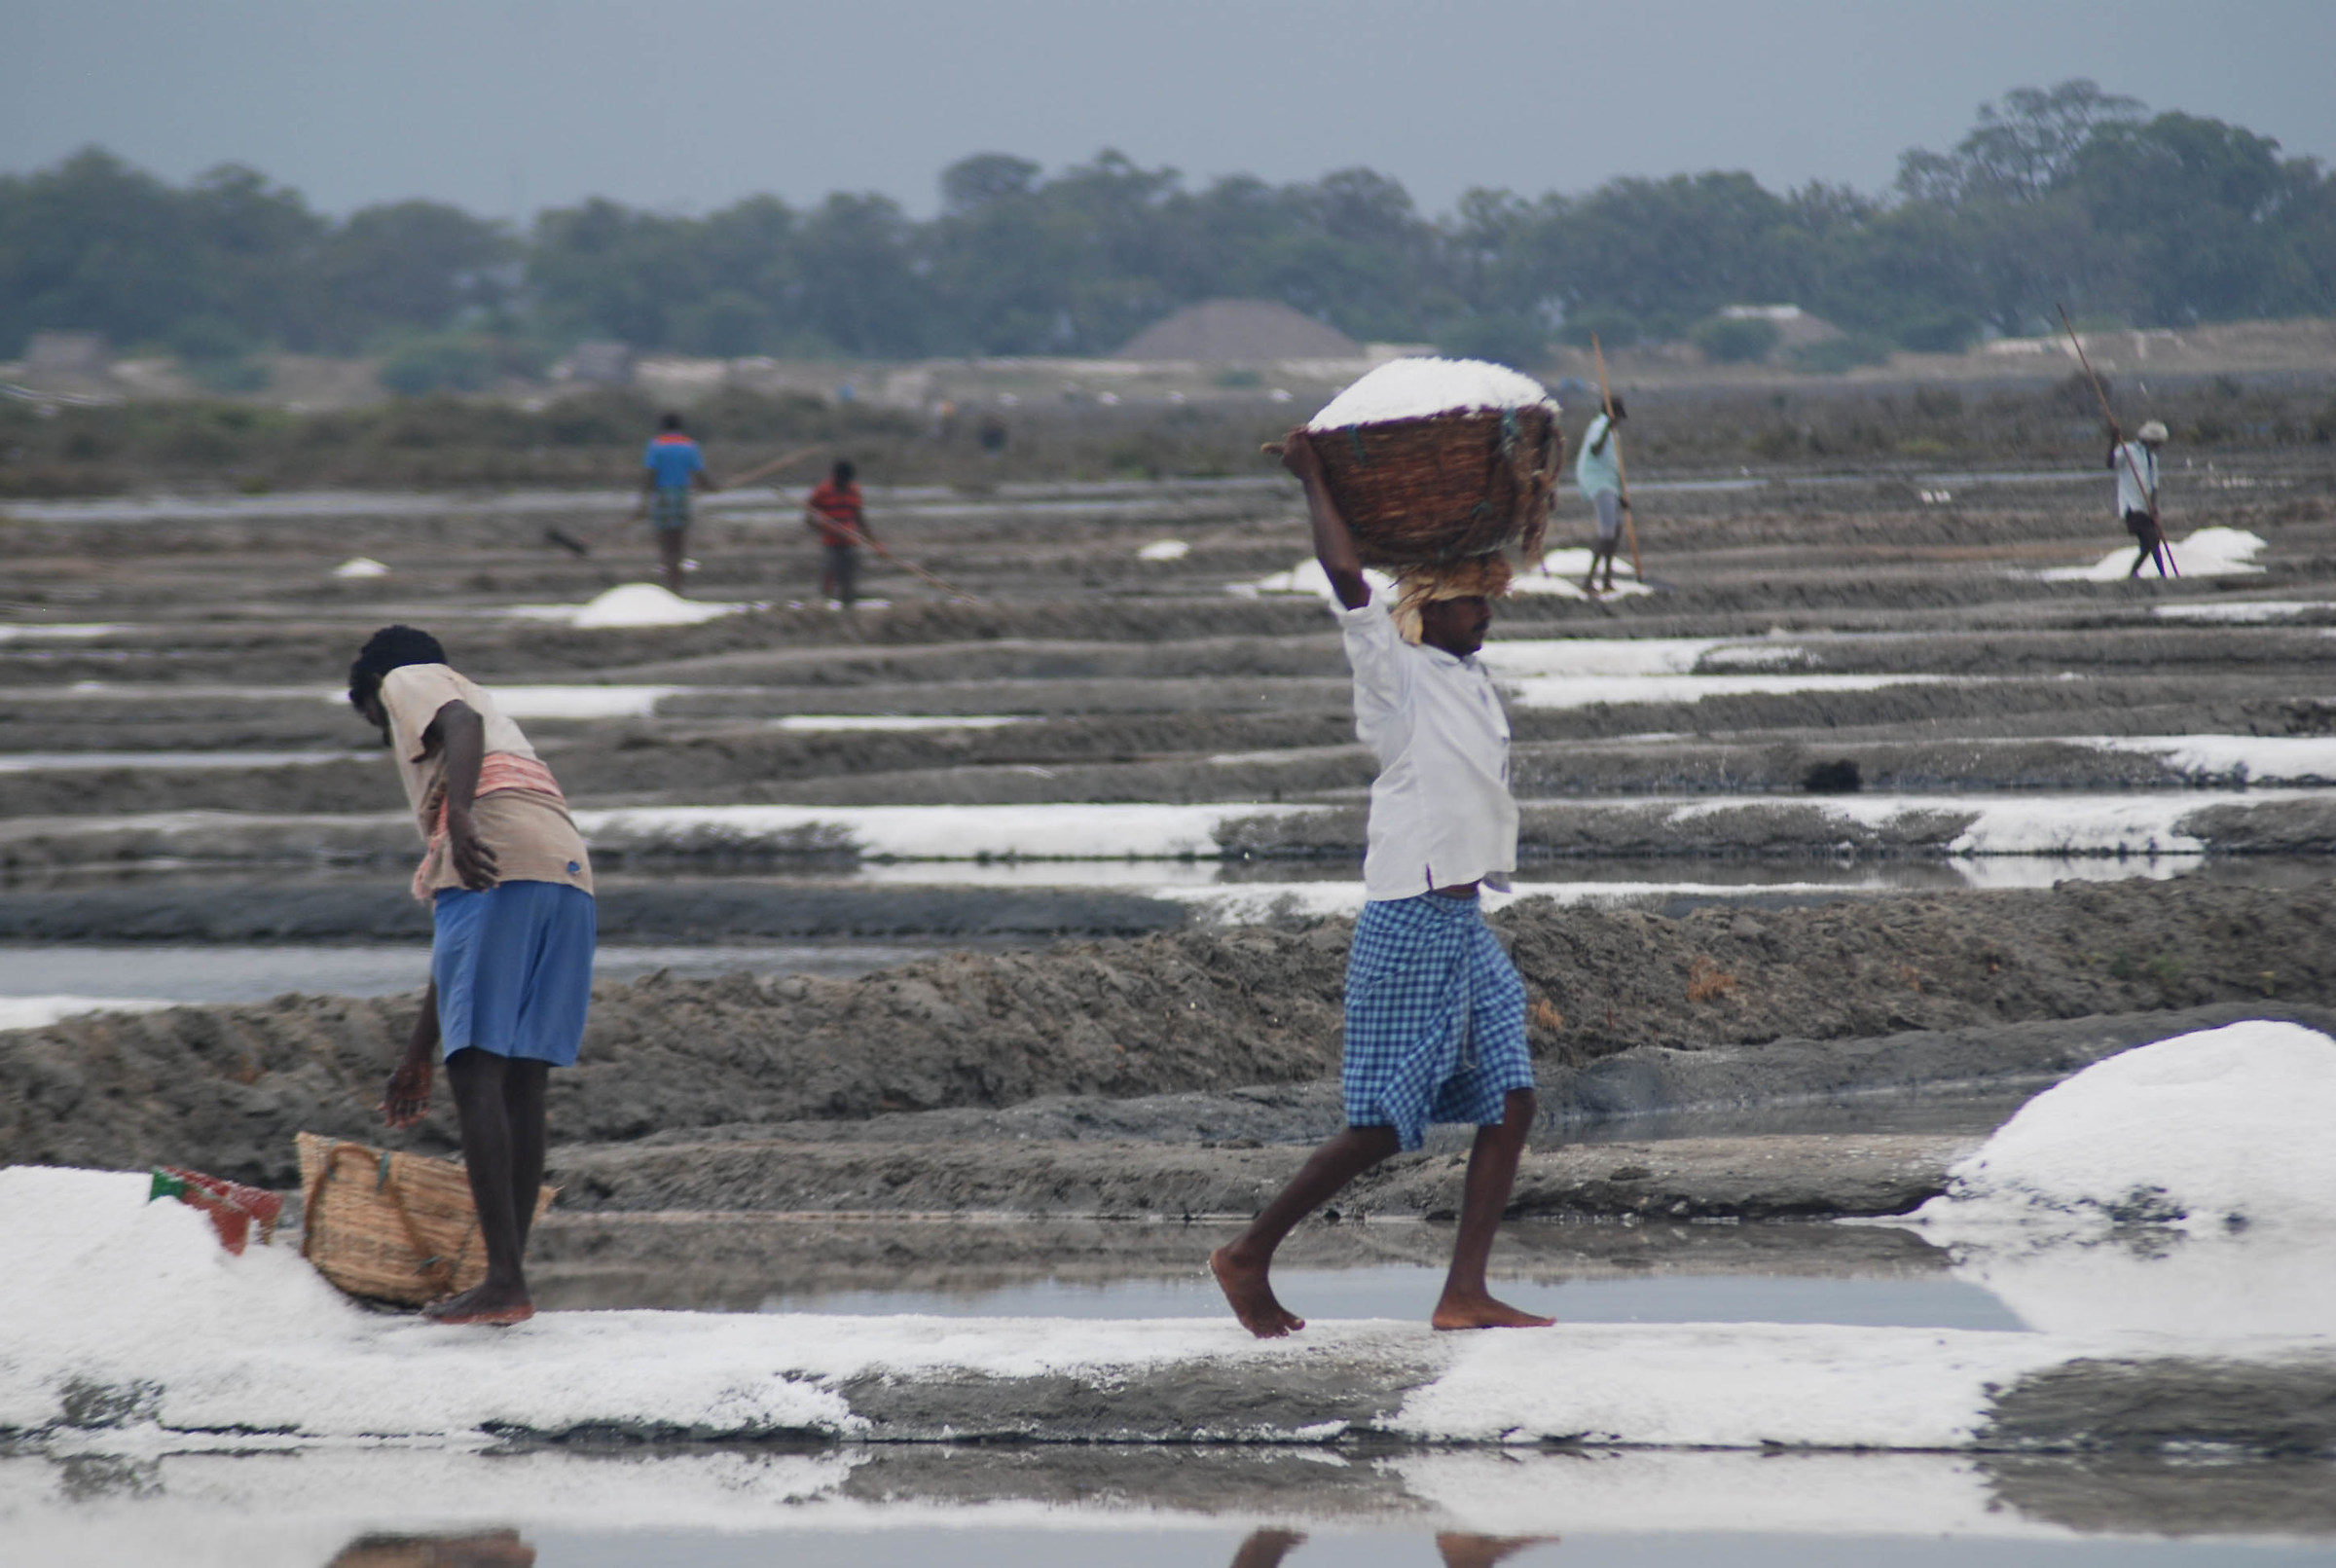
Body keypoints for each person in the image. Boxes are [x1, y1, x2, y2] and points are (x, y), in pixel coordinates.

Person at [1208, 431, 1553, 1341]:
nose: (1485, 614)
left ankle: (1463, 1292)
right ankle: (1248, 1253)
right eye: (1471, 602)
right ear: (1423, 614)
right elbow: (1346, 575)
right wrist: (1315, 475)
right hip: (1410, 913)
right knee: (1381, 1125)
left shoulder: (1469, 679)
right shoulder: (1394, 676)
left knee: (1512, 1097)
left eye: (1487, 601)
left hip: (1464, 914)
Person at [349, 626, 596, 1327]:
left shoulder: (411, 678)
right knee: (520, 1075)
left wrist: (458, 814)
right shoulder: (495, 715)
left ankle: (504, 1281)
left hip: (497, 845)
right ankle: (506, 1276)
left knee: (480, 1071)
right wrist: (416, 1052)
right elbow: (459, 945)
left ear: (374, 692)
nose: (388, 737)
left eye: (375, 722)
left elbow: (458, 724)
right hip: (564, 868)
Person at [637, 413, 718, 594]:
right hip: (681, 496)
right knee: (679, 545)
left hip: (663, 497)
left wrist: (643, 504)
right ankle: (678, 587)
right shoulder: (689, 446)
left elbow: (650, 475)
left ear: (662, 427)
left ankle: (671, 585)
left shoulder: (656, 446)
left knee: (666, 546)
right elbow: (699, 474)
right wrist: (713, 487)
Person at [803, 459, 880, 615]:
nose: (844, 484)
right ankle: (823, 608)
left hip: (850, 541)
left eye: (847, 481)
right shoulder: (822, 491)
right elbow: (809, 517)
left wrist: (874, 542)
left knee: (849, 576)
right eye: (841, 481)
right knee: (829, 573)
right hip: (831, 543)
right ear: (835, 477)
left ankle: (848, 608)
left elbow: (859, 517)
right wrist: (825, 529)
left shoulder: (853, 491)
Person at [1575, 397, 1627, 594]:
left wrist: (1622, 494)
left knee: (1616, 530)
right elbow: (1595, 450)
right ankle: (1589, 581)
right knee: (1607, 533)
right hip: (1599, 483)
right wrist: (1607, 427)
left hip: (1610, 484)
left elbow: (1614, 465)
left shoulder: (1612, 432)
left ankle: (1607, 579)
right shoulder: (1599, 426)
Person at [2110, 419, 2171, 578]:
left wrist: (2154, 507)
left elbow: (2154, 485)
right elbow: (2111, 464)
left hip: (2146, 508)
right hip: (2131, 506)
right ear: (2149, 441)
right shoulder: (2127, 450)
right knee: (2153, 539)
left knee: (2147, 545)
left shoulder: (2152, 459)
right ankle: (2163, 575)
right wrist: (2113, 440)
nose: (2158, 447)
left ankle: (2133, 574)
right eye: (2156, 443)